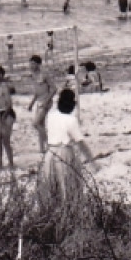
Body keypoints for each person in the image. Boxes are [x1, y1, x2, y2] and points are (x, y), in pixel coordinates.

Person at [36, 89, 95, 224]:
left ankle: (50, 219)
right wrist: (92, 161)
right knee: (68, 187)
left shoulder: (51, 116)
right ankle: (69, 219)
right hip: (64, 152)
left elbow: (38, 123)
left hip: (50, 152)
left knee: (50, 186)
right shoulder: (71, 120)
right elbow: (80, 142)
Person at [26, 54, 59, 153]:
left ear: (38, 64)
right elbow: (37, 91)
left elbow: (54, 89)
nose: (31, 66)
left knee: (35, 124)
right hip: (39, 102)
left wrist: (47, 101)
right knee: (41, 124)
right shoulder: (32, 76)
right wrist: (31, 103)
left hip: (46, 102)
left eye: (33, 64)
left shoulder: (44, 74)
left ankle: (49, 144)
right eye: (30, 63)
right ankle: (42, 149)